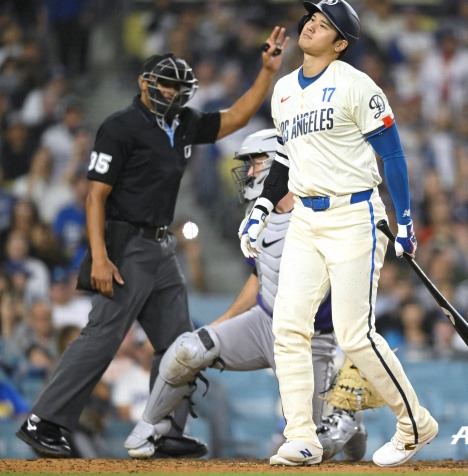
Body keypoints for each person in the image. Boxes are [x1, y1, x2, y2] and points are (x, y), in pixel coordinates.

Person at [16, 27, 289, 459]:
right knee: (102, 337)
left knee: (178, 343)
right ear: (145, 83)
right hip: (126, 244)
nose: (173, 93)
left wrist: (267, 71)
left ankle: (161, 430)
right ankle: (43, 420)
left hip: (162, 248)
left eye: (180, 87)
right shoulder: (120, 127)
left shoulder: (181, 123)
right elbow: (95, 196)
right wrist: (101, 258)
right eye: (166, 84)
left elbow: (235, 117)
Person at [239, 1, 437, 467]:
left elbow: (393, 155)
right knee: (287, 327)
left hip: (354, 215)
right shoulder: (284, 90)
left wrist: (405, 218)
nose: (311, 24)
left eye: (324, 23)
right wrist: (264, 206)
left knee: (354, 333)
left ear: (341, 43)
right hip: (306, 218)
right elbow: (287, 159)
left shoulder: (357, 85)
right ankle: (302, 436)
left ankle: (415, 424)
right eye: (312, 17)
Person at [123, 129, 366, 461]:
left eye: (255, 162)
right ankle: (149, 430)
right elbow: (259, 280)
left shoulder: (322, 213)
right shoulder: (258, 217)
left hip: (310, 340)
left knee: (310, 446)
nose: (249, 171)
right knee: (190, 348)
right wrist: (220, 324)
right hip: (263, 322)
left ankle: (348, 421)